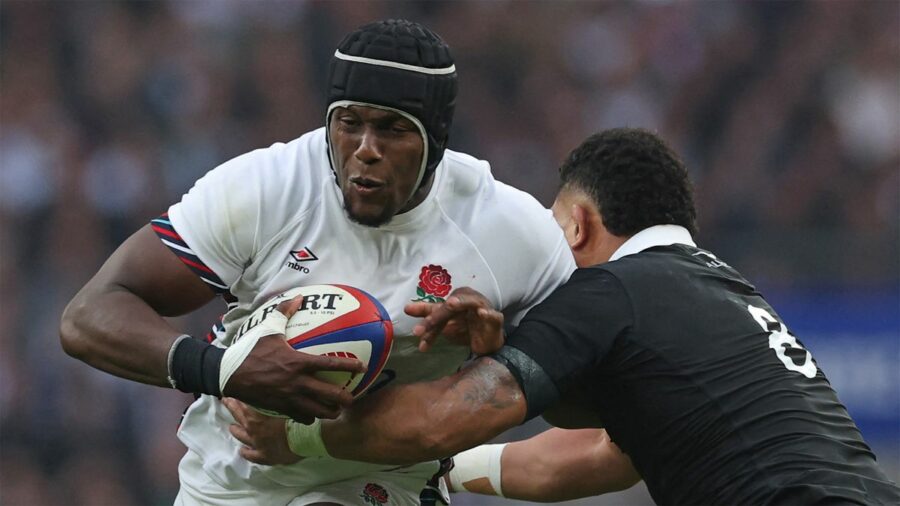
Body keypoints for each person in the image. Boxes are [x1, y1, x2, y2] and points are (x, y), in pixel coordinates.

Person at [59, 19, 576, 506]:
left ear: (436, 139)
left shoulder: (511, 231)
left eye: (393, 129)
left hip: (383, 481)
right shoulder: (267, 189)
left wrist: (505, 352)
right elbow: (89, 316)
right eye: (348, 123)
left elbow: (593, 393)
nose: (365, 150)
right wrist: (223, 369)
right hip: (231, 482)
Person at [236, 128, 900, 505]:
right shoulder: (722, 292)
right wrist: (444, 473)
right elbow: (601, 454)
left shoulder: (612, 292)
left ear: (578, 226)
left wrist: (298, 440)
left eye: (551, 228)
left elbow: (446, 417)